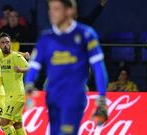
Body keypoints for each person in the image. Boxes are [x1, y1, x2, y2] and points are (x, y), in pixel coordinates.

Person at [24, 0, 108, 134]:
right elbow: (34, 65)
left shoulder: (86, 34)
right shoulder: (46, 38)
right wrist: (28, 85)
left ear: (70, 11)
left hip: (74, 96)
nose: (51, 13)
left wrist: (102, 99)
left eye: (56, 9)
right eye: (50, 9)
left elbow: (98, 68)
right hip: (52, 96)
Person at [0, 33, 28, 135]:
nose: (5, 44)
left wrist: (20, 69)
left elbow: (30, 68)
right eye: (3, 42)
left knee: (4, 123)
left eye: (7, 42)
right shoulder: (0, 57)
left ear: (11, 43)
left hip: (17, 95)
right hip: (8, 96)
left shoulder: (16, 57)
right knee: (17, 125)